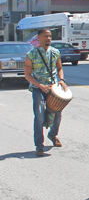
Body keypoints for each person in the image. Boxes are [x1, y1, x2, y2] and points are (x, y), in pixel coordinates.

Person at [24, 28, 68, 157]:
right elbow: (27, 74)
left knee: (57, 114)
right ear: (38, 37)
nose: (48, 38)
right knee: (39, 117)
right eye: (45, 36)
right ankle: (39, 146)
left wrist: (62, 80)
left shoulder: (55, 52)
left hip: (54, 89)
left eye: (50, 36)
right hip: (38, 89)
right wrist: (40, 85)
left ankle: (52, 135)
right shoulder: (31, 54)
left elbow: (59, 68)